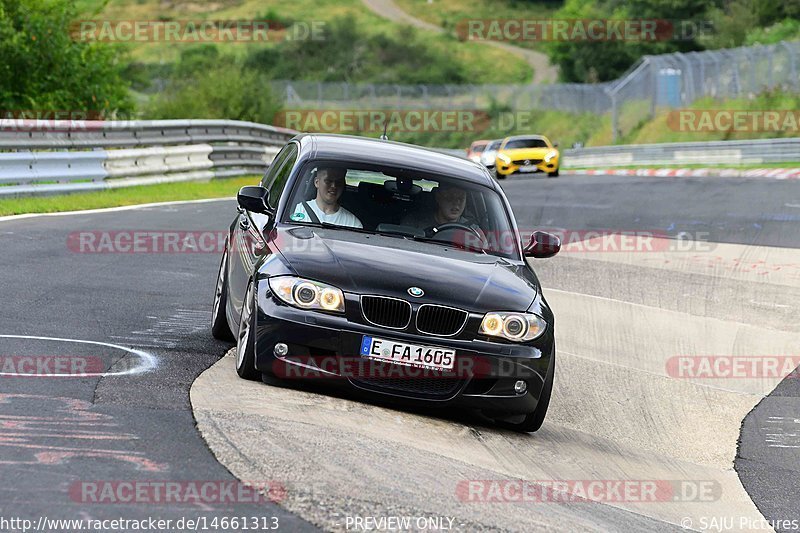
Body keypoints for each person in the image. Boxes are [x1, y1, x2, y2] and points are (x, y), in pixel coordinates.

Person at [290, 167, 363, 228]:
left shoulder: (353, 223)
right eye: (328, 181)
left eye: (338, 182)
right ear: (316, 182)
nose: (334, 186)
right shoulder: (299, 210)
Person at [403, 184, 481, 235]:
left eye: (461, 198)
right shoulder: (414, 223)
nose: (456, 203)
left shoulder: (474, 231)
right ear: (438, 198)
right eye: (450, 197)